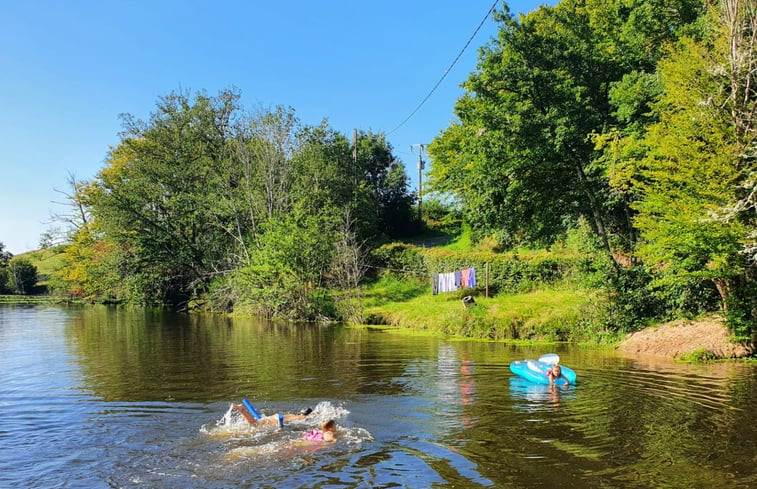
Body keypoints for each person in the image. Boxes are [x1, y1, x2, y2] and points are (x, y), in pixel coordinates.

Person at [231, 403, 311, 426]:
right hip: (278, 420)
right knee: (255, 424)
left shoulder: (293, 415)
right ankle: (242, 410)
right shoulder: (300, 418)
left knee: (256, 423)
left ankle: (242, 410)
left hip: (277, 417)